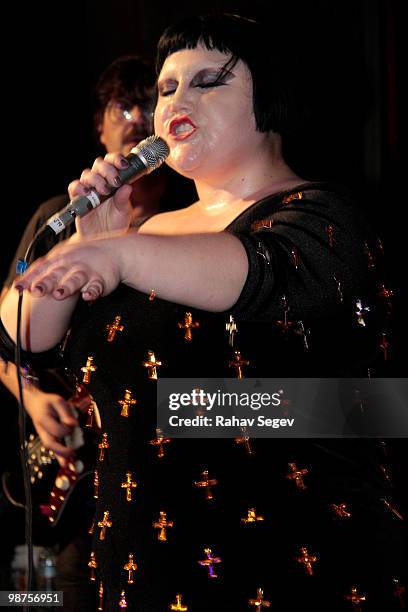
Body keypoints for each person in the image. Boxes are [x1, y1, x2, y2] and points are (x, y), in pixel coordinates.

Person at [1, 13, 406, 611]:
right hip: (137, 569)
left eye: (207, 81)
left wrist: (116, 254)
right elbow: (24, 336)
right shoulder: (145, 235)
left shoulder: (323, 218)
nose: (174, 101)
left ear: (270, 97)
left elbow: (261, 280)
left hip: (287, 566)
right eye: (166, 88)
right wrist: (85, 241)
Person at [0, 54, 194, 609]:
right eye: (121, 106)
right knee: (40, 596)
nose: (137, 119)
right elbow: (7, 337)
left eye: (149, 107)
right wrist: (34, 401)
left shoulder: (188, 224)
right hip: (68, 479)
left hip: (151, 482)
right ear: (100, 125)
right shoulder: (55, 216)